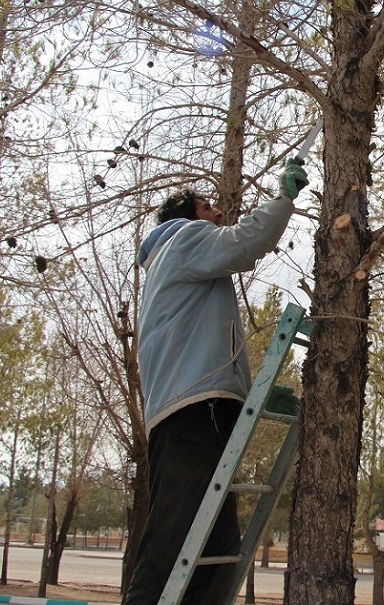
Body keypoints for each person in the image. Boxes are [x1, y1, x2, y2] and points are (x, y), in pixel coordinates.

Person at [123, 161, 308, 605]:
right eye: (208, 208)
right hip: (192, 411)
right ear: (185, 216)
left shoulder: (172, 266)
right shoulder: (183, 239)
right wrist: (284, 199)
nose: (218, 215)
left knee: (219, 548)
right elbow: (246, 242)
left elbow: (207, 344)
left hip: (199, 408)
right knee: (172, 539)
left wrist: (250, 392)